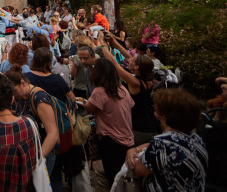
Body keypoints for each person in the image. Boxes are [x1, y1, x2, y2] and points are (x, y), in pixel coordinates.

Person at [125, 89, 208, 191]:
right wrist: (135, 150)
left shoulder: (162, 143)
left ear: (164, 116)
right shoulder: (196, 137)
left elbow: (139, 170)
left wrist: (132, 152)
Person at [84, 58, 135, 186]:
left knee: (114, 177)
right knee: (123, 176)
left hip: (110, 139)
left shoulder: (99, 92)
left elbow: (89, 110)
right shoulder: (123, 89)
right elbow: (130, 105)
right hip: (127, 137)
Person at [4, 66, 59, 182]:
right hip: (31, 154)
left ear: (23, 83)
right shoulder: (23, 96)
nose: (13, 95)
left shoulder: (39, 98)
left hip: (43, 155)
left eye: (14, 91)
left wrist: (38, 160)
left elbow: (53, 134)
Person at [101, 43, 158, 145]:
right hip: (150, 124)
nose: (129, 59)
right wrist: (113, 41)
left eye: (132, 60)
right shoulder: (148, 80)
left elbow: (114, 64)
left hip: (140, 129)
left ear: (136, 67)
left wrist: (102, 44)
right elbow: (128, 56)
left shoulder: (135, 83)